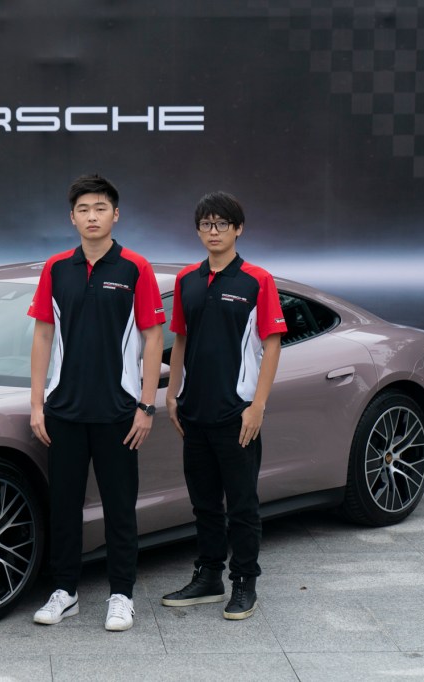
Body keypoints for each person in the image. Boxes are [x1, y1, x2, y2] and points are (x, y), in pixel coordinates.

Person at [28, 174, 165, 632]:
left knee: (120, 508)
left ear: (115, 215)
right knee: (64, 506)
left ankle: (121, 595)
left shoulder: (135, 268)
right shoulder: (56, 269)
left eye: (100, 208)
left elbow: (153, 337)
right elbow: (43, 334)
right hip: (63, 411)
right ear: (72, 217)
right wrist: (37, 404)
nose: (92, 216)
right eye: (84, 209)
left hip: (118, 413)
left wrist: (146, 406)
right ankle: (64, 591)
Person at [161, 191, 286, 620]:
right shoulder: (187, 280)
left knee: (243, 504)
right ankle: (209, 576)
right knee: (204, 503)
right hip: (194, 412)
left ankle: (245, 582)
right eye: (206, 224)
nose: (213, 231)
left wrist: (258, 406)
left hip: (237, 414)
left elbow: (272, 345)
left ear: (238, 229)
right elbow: (180, 338)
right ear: (198, 230)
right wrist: (172, 394)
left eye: (222, 224)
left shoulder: (256, 280)